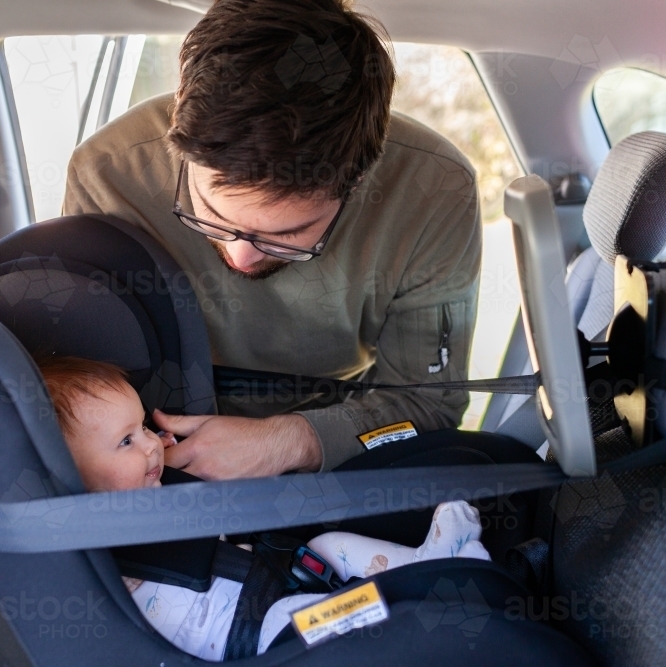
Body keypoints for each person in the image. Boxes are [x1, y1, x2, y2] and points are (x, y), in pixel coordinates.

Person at [63, 0, 481, 481]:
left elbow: (429, 403)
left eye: (288, 235)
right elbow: (80, 390)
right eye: (212, 216)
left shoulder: (435, 191)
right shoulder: (105, 173)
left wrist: (293, 440)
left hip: (339, 441)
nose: (241, 258)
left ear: (362, 178)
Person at [35, 355, 490, 660]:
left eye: (143, 427)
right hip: (255, 636)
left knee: (330, 545)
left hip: (263, 581)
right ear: (71, 478)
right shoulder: (93, 547)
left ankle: (428, 565)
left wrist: (156, 465)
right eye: (127, 440)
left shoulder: (150, 490)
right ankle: (419, 600)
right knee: (322, 619)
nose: (152, 445)